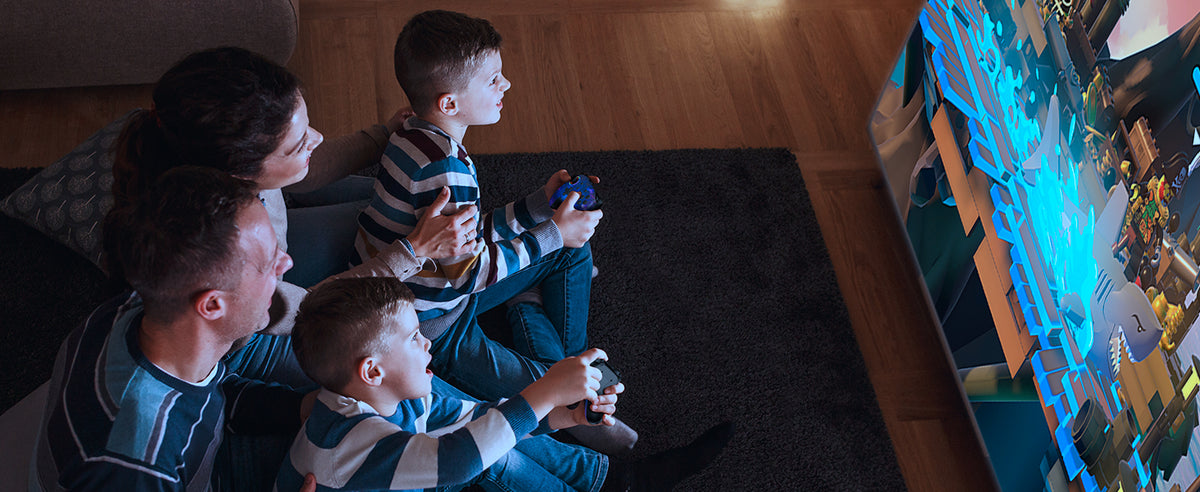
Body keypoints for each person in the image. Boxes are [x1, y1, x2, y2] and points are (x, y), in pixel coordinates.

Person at [110, 46, 476, 387]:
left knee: (398, 199)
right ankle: (449, 341)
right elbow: (306, 306)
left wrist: (383, 137)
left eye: (306, 127)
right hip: (257, 334)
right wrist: (410, 252)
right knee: (405, 387)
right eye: (299, 143)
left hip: (271, 274)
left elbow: (308, 171)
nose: (316, 138)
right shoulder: (224, 251)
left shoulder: (219, 167)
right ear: (242, 174)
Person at [352, 10, 621, 447]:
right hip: (434, 322)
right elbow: (471, 272)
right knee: (560, 394)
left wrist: (538, 208)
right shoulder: (447, 171)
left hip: (442, 284)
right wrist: (553, 232)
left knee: (570, 249)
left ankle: (566, 354)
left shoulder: (411, 132)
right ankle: (579, 393)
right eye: (493, 78)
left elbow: (465, 240)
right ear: (449, 103)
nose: (506, 85)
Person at [276, 276, 733, 492]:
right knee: (484, 456)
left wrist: (561, 415)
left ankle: (620, 482)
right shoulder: (347, 441)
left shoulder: (388, 399)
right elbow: (454, 462)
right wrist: (544, 391)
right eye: (414, 338)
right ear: (372, 372)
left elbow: (476, 419)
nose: (426, 343)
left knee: (494, 441)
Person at [31, 167, 314, 491]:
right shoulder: (138, 463)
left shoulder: (137, 310)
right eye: (268, 264)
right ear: (211, 306)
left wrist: (298, 408)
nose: (287, 263)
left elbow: (211, 396)